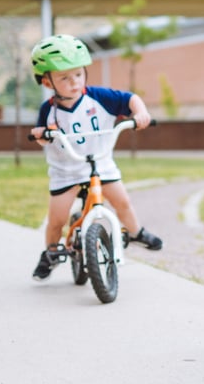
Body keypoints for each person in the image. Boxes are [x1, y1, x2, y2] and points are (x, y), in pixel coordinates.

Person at [28, 34, 164, 282]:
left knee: (122, 201)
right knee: (57, 219)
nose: (74, 82)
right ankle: (50, 252)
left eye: (78, 74)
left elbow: (129, 99)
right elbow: (40, 134)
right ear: (47, 82)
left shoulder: (99, 97)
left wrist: (141, 112)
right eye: (64, 78)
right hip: (66, 170)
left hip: (100, 163)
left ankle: (135, 232)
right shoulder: (49, 110)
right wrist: (41, 135)